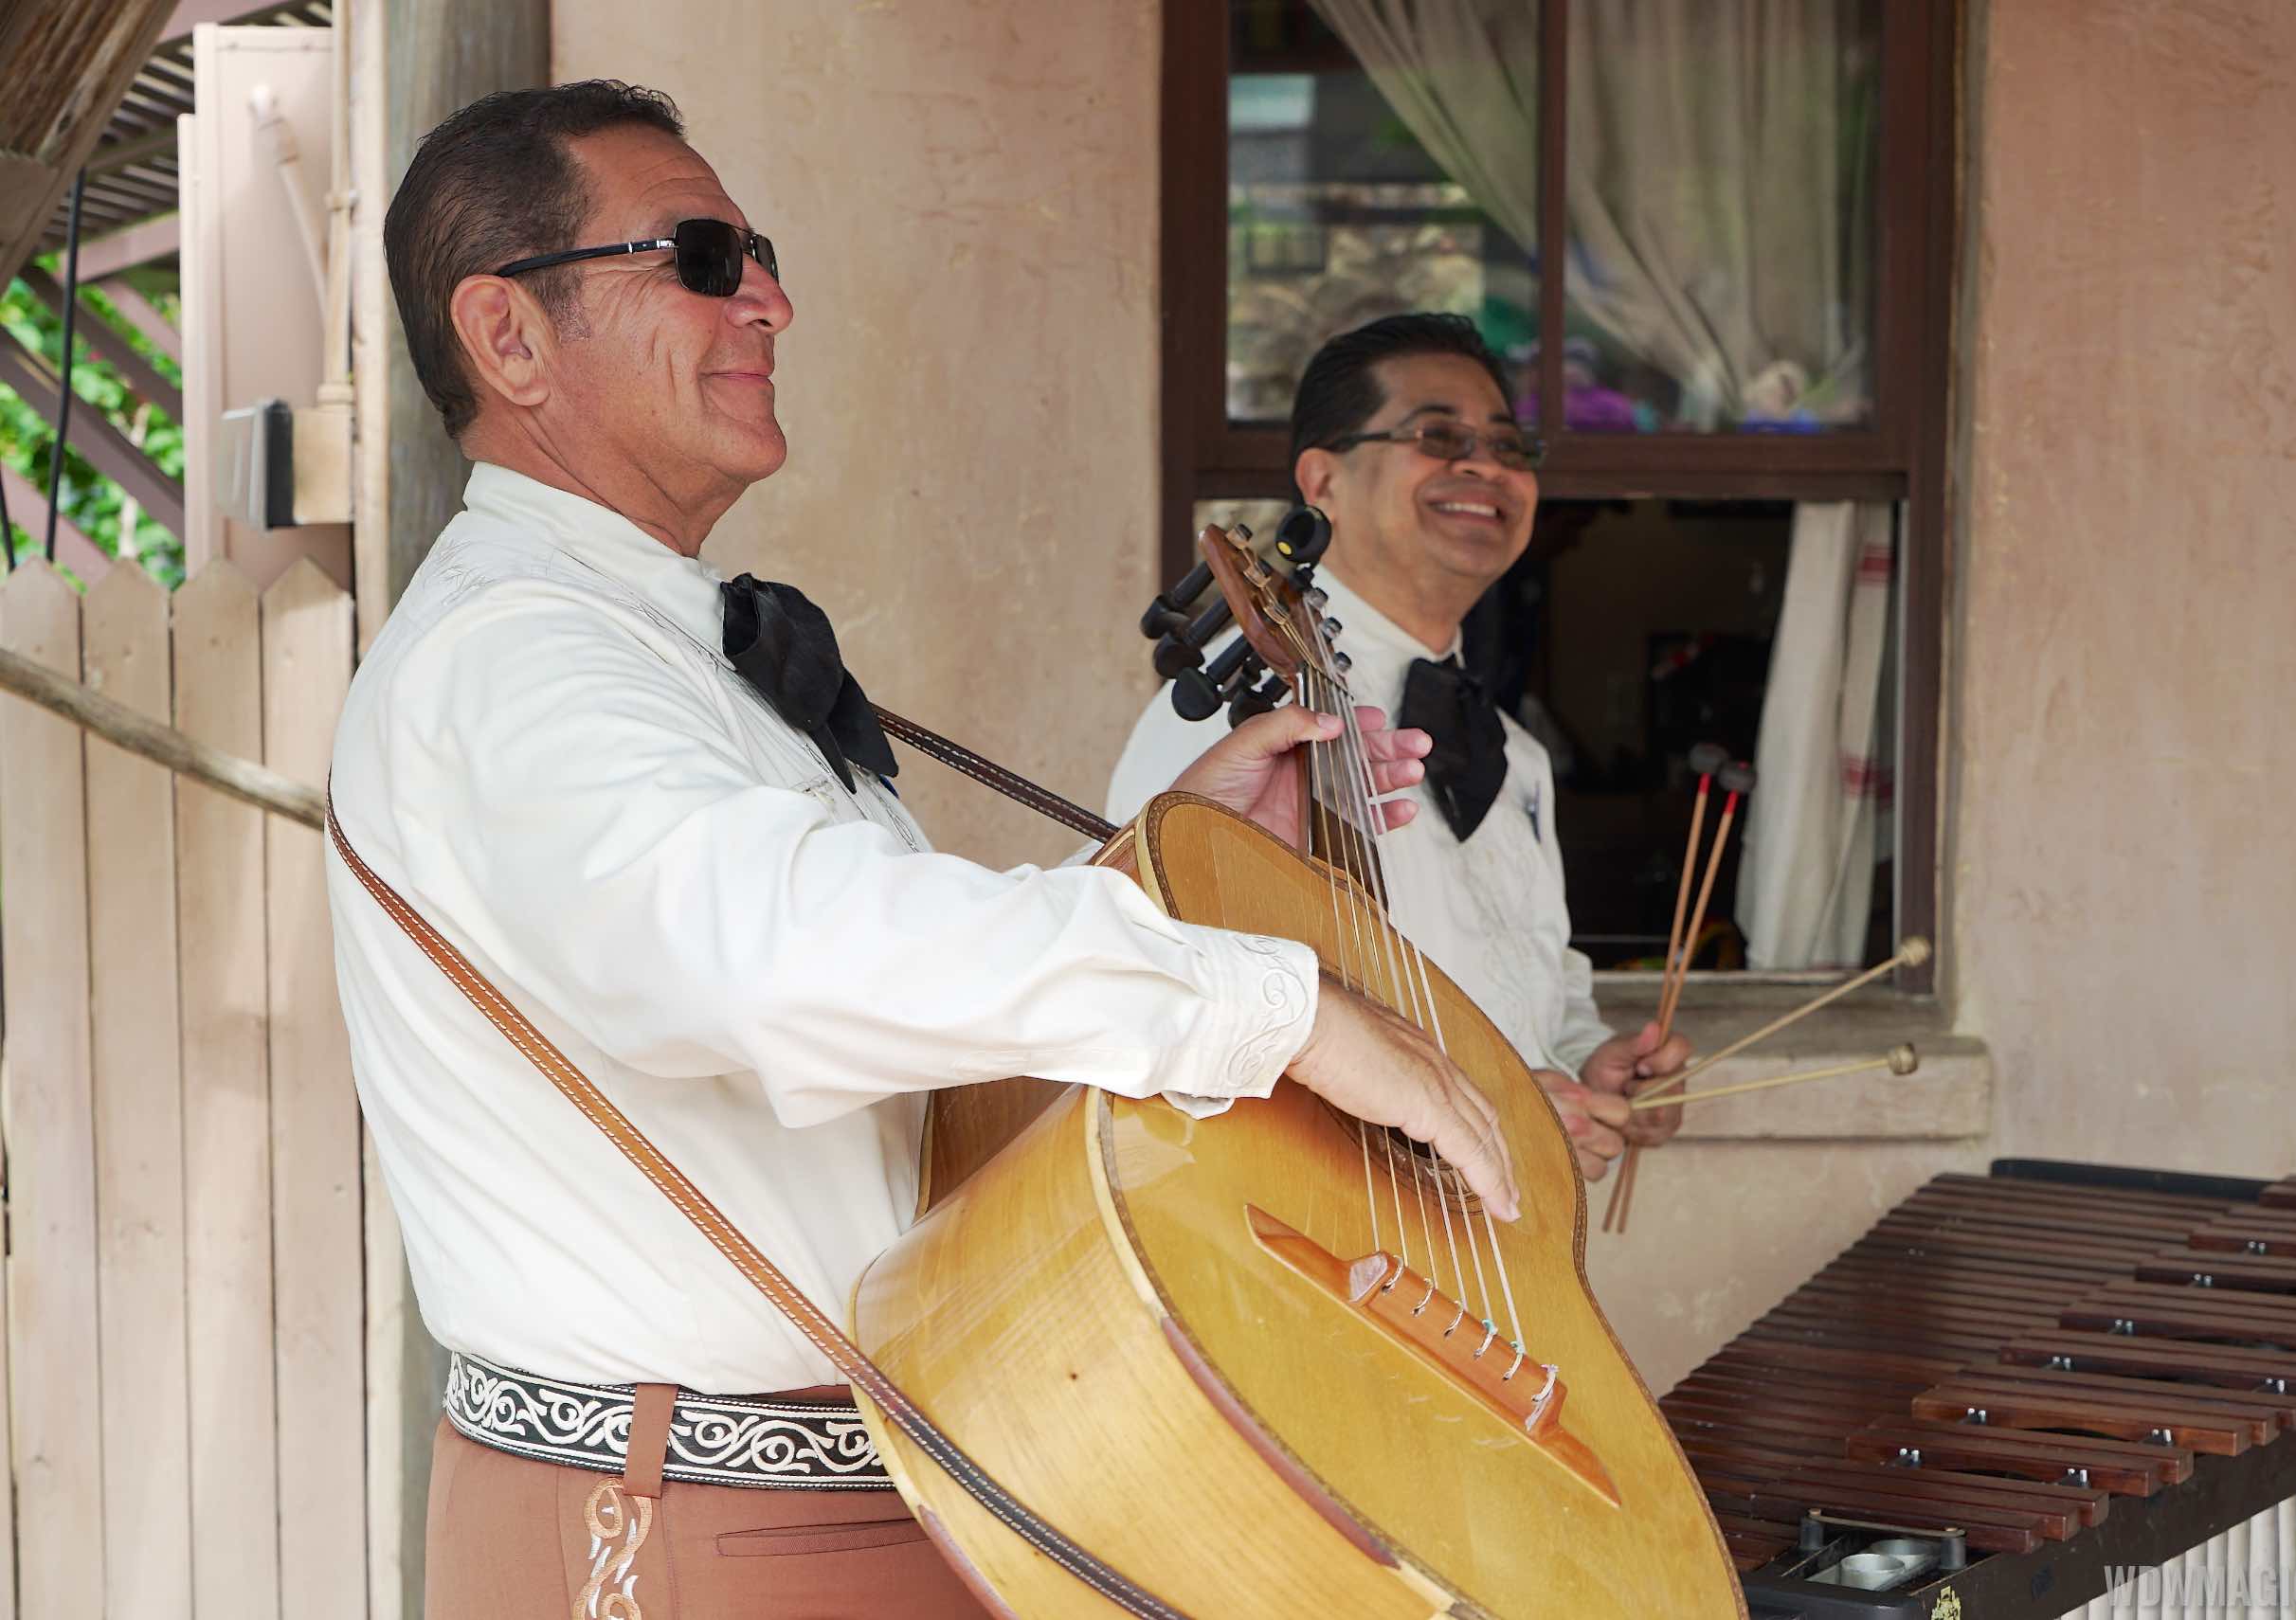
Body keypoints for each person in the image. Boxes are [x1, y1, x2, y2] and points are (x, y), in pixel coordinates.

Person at [332, 83, 1518, 1618]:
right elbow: (771, 960)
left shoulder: (642, 644)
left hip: (868, 1485)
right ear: (509, 337)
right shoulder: (513, 664)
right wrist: (1278, 1009)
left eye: (756, 250)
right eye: (700, 255)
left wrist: (1183, 857)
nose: (772, 299)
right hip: (689, 1518)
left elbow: (888, 1049)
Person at [1109, 314, 1690, 1184]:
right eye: (1437, 436)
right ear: (1323, 481)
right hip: (1335, 1246)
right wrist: (1481, 1108)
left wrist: (1586, 1066)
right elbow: (1158, 998)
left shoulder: (1520, 758)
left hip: (1502, 1256)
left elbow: (1544, 986)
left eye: (1508, 444)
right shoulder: (1245, 712)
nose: (1485, 467)